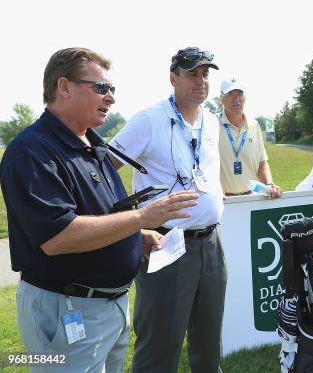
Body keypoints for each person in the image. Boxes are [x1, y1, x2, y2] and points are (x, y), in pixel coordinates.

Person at [0, 47, 198, 372]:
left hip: (108, 307)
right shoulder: (32, 152)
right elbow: (58, 236)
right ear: (64, 87)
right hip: (68, 310)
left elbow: (102, 214)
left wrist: (137, 234)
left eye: (112, 89)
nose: (111, 98)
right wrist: (141, 218)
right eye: (101, 88)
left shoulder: (92, 144)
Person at [109, 47, 226, 373]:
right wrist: (129, 220)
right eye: (192, 74)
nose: (201, 80)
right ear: (173, 78)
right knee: (160, 345)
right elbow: (103, 171)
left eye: (205, 73)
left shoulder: (212, 121)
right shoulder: (149, 119)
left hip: (211, 245)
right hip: (165, 244)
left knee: (209, 343)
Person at [217, 78, 282, 198]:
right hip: (223, 200)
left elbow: (262, 163)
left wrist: (269, 184)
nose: (236, 99)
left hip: (252, 198)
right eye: (230, 94)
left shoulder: (254, 125)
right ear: (221, 98)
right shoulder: (212, 125)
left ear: (245, 97)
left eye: (240, 94)